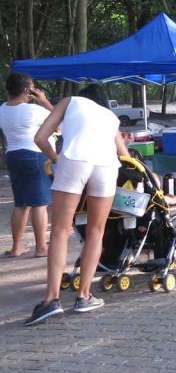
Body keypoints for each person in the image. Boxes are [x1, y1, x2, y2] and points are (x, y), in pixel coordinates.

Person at [26, 84, 130, 325]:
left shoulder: (70, 101)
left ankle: (51, 300)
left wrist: (55, 160)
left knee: (61, 231)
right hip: (106, 166)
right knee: (97, 231)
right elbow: (124, 157)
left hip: (74, 158)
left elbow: (40, 137)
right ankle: (84, 296)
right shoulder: (111, 117)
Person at [0, 73, 54, 258]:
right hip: (34, 154)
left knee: (21, 203)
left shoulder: (2, 109)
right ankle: (41, 247)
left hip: (13, 155)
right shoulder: (33, 111)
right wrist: (44, 100)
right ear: (26, 90)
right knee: (39, 203)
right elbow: (59, 123)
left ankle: (17, 247)